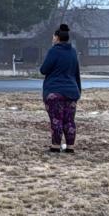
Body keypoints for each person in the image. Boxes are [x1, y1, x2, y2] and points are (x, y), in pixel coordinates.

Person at [40, 23, 81, 154]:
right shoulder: (73, 52)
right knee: (69, 121)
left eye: (53, 36)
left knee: (56, 120)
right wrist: (78, 91)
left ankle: (55, 147)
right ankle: (70, 147)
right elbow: (76, 73)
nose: (52, 38)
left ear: (57, 37)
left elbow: (43, 70)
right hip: (71, 91)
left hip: (55, 91)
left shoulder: (54, 51)